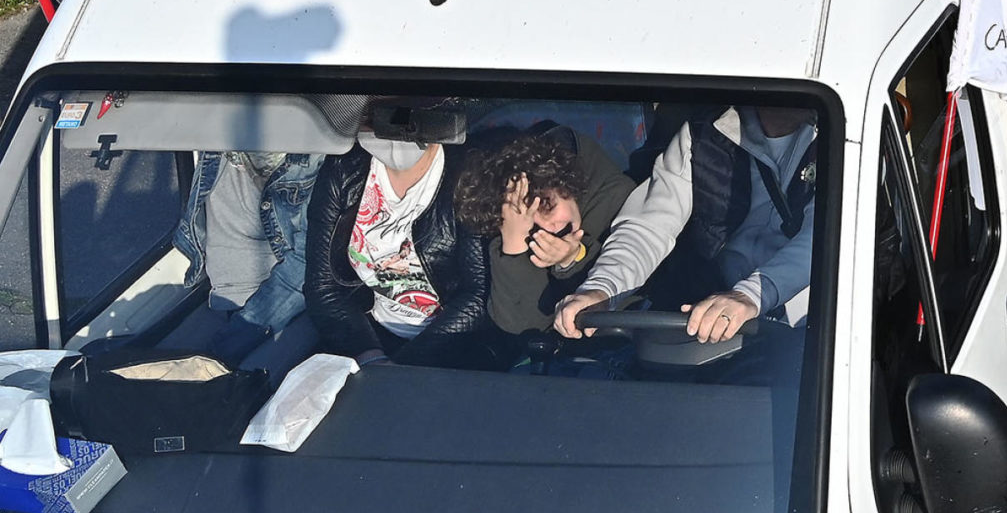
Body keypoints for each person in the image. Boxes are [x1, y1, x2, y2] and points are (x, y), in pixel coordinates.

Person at [552, 106, 818, 345]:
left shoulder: (842, 132)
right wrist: (603, 288)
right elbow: (650, 225)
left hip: (811, 330)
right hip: (709, 315)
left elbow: (822, 242)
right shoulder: (707, 132)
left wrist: (751, 296)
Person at [302, 107, 493, 367]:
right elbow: (322, 287)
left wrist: (401, 369)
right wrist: (371, 357)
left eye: (404, 116)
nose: (393, 126)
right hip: (369, 340)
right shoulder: (344, 168)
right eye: (379, 114)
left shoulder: (471, 174)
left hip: (452, 351)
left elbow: (478, 296)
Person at [452, 124, 639, 338]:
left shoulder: (622, 200)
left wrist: (573, 259)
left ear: (564, 182)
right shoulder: (518, 231)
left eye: (547, 206)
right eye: (530, 222)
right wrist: (515, 245)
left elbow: (636, 287)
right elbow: (522, 325)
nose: (548, 227)